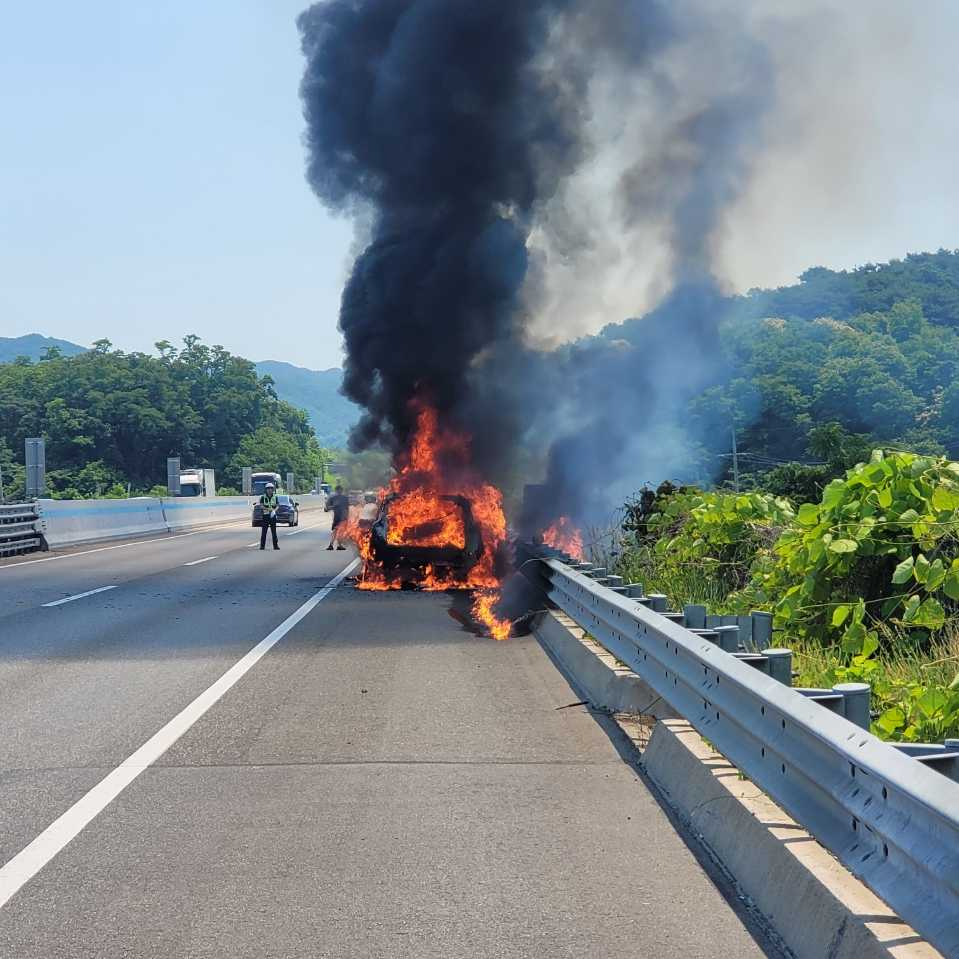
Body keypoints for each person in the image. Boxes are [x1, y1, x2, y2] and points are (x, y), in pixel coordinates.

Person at [325, 484, 350, 550]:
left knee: (338, 531)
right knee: (336, 531)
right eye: (338, 490)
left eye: (340, 490)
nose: (339, 491)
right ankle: (333, 545)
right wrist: (334, 506)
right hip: (338, 517)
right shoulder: (334, 498)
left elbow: (347, 508)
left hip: (341, 517)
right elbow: (326, 508)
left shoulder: (344, 498)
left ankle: (336, 545)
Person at [258, 482, 280, 551]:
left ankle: (275, 546)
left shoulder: (275, 497)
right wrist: (269, 509)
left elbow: (277, 505)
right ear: (266, 489)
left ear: (273, 489)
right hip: (265, 516)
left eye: (271, 488)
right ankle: (262, 546)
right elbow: (261, 506)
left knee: (274, 532)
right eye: (268, 488)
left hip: (272, 516)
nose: (270, 490)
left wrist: (274, 511)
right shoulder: (262, 497)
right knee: (264, 532)